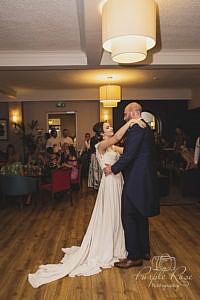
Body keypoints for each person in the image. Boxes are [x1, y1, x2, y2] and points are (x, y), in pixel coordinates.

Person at [28, 117, 145, 288]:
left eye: (110, 126)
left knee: (120, 215)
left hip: (119, 181)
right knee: (111, 214)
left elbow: (127, 151)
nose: (111, 127)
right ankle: (107, 247)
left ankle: (119, 244)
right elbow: (116, 138)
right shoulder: (100, 146)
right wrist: (131, 122)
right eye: (107, 126)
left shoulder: (112, 146)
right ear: (101, 133)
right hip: (111, 184)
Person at [104, 102, 160, 268]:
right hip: (144, 177)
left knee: (128, 216)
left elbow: (129, 156)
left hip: (136, 179)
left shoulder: (137, 128)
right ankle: (144, 250)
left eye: (125, 113)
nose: (124, 116)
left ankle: (134, 256)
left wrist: (112, 169)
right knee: (140, 214)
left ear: (133, 112)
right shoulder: (146, 128)